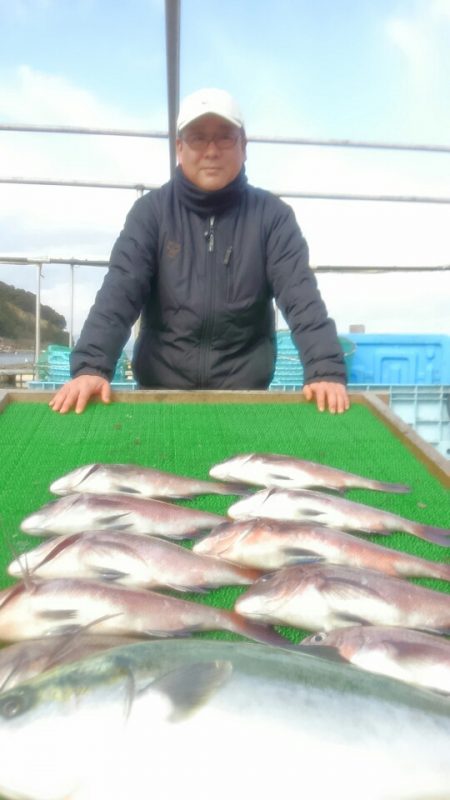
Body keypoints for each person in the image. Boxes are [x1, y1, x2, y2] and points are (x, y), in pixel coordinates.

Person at [50, 88, 350, 415]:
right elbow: (119, 293)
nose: (211, 150)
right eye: (197, 138)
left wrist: (324, 369)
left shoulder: (272, 216)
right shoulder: (150, 213)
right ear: (179, 148)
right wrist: (91, 367)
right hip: (160, 396)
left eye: (224, 138)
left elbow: (300, 296)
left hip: (245, 398)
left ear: (243, 147)